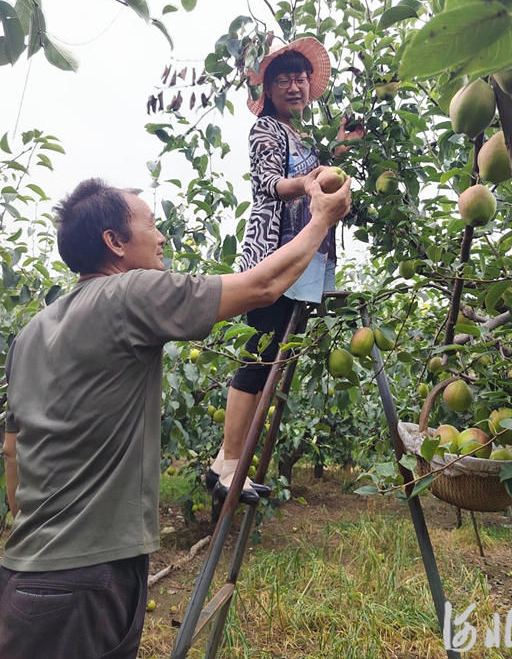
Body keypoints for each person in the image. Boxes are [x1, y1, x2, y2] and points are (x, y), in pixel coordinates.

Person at [0, 174, 350, 659]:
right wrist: (320, 221)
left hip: (28, 572)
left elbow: (12, 451)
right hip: (84, 580)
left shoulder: (30, 335)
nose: (162, 236)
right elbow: (264, 285)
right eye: (150, 224)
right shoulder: (130, 294)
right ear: (115, 243)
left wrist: (39, 539)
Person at [207, 37, 364, 505]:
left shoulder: (304, 137)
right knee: (259, 357)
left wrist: (337, 146)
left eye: (300, 78)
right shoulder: (265, 132)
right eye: (283, 80)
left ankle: (234, 462)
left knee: (274, 355)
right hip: (274, 254)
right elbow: (270, 185)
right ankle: (227, 462)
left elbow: (317, 174)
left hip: (305, 257)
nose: (294, 86)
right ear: (269, 91)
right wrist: (312, 180)